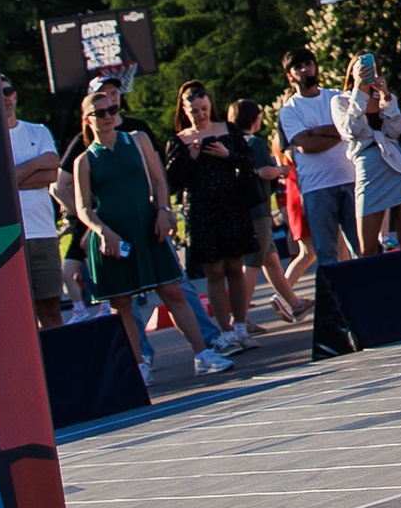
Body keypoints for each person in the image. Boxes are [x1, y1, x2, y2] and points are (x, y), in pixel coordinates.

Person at [70, 95, 232, 381]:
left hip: (147, 226)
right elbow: (83, 208)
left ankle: (202, 354)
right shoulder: (84, 160)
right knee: (122, 304)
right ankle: (139, 365)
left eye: (113, 109)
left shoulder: (137, 140)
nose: (108, 116)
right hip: (113, 237)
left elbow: (159, 180)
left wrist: (162, 210)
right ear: (87, 119)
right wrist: (103, 232)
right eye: (100, 112)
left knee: (173, 291)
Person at [165, 81, 259, 350]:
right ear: (184, 110)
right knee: (215, 271)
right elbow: (171, 181)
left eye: (204, 108)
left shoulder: (227, 131)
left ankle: (241, 325)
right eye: (194, 111)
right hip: (202, 210)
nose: (201, 115)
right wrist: (190, 158)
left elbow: (247, 162)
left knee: (235, 267)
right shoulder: (180, 140)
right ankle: (226, 330)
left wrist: (226, 154)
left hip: (231, 205)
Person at [276, 50, 355, 274]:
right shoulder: (290, 110)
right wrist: (337, 132)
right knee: (327, 254)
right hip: (316, 188)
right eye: (298, 67)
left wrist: (317, 132)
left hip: (349, 178)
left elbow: (351, 129)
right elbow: (304, 145)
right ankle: (336, 307)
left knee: (361, 248)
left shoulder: (336, 97)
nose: (305, 69)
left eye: (308, 64)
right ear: (290, 76)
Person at [227, 99, 301, 323]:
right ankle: (239, 319)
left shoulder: (230, 143)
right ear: (253, 119)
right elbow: (264, 171)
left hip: (239, 209)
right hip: (258, 208)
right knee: (252, 263)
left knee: (270, 260)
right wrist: (282, 169)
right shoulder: (255, 143)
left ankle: (295, 304)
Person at [335, 57, 401, 255]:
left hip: (397, 165)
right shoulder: (341, 100)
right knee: (367, 248)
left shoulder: (384, 97)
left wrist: (386, 97)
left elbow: (398, 129)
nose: (368, 74)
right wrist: (359, 93)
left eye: (372, 70)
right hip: (368, 166)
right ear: (352, 73)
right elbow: (350, 130)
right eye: (362, 70)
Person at [3, 75, 66, 329]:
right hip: (8, 238)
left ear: (15, 95)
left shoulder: (38, 131)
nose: (4, 98)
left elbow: (52, 173)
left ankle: (59, 365)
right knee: (19, 317)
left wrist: (15, 174)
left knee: (50, 309)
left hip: (42, 233)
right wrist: (36, 165)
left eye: (8, 91)